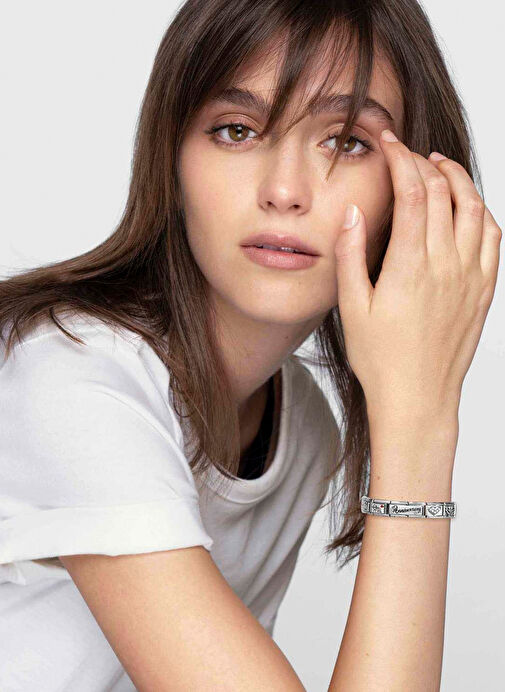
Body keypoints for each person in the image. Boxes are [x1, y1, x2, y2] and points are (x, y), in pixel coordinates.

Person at [0, 0, 501, 689]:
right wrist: (419, 414)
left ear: (418, 190)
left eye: (346, 141)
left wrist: (418, 408)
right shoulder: (71, 374)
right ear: (171, 161)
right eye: (236, 130)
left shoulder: (302, 428)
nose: (284, 191)